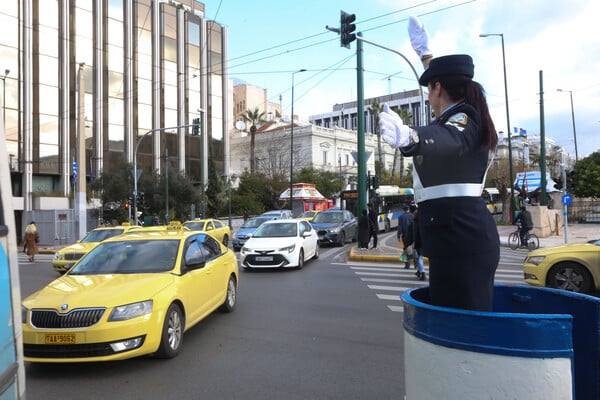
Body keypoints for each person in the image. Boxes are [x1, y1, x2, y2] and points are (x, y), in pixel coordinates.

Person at [378, 17, 500, 311]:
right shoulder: (457, 114)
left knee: (466, 330)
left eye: (429, 89)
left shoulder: (463, 120)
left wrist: (409, 135)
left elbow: (447, 138)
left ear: (437, 89)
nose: (428, 97)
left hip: (463, 241)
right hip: (455, 238)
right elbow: (443, 114)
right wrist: (425, 56)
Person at [403, 207, 426, 280]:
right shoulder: (424, 222)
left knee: (419, 258)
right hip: (423, 242)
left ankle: (422, 273)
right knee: (420, 257)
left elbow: (409, 236)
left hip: (416, 242)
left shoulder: (413, 223)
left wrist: (406, 245)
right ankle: (419, 271)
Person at [396, 204, 413, 269]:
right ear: (408, 209)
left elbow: (399, 227)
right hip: (412, 235)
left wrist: (398, 236)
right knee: (413, 249)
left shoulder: (400, 217)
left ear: (403, 210)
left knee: (405, 249)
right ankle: (416, 264)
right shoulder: (412, 215)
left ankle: (407, 265)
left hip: (405, 236)